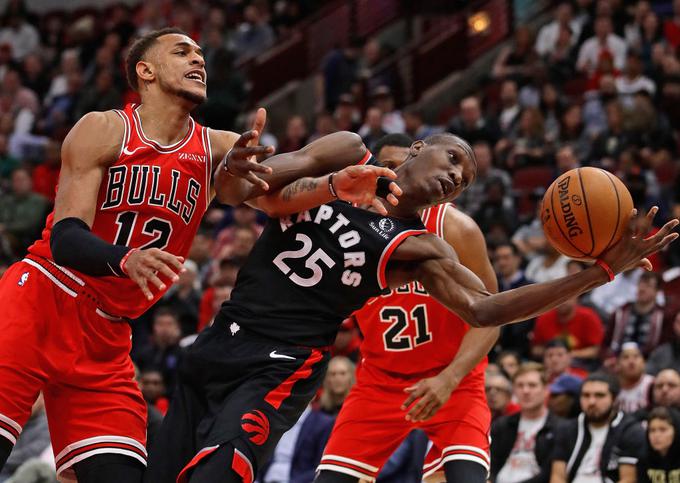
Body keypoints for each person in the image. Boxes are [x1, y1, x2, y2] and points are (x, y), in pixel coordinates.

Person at [147, 131, 677, 483]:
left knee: (218, 472)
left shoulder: (421, 248)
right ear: (418, 146)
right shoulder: (346, 154)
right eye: (452, 160)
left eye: (466, 180)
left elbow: (488, 311)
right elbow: (242, 190)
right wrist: (239, 170)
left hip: (287, 362)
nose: (457, 177)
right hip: (239, 340)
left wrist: (602, 271)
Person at [0, 27, 396, 483]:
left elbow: (272, 196)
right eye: (182, 51)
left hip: (105, 335)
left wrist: (332, 186)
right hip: (41, 301)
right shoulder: (105, 128)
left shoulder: (218, 147)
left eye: (201, 54)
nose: (198, 60)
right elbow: (68, 238)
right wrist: (125, 259)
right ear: (145, 71)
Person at [318, 134, 499, 483]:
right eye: (384, 167)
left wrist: (450, 378)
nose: (392, 177)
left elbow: (491, 317)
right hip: (379, 381)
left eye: (399, 167)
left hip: (453, 379)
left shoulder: (454, 228)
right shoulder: (348, 220)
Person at [550, 373, 645, 483]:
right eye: (586, 395)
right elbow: (557, 476)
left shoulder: (630, 430)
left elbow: (628, 479)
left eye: (599, 395)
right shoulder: (567, 429)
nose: (592, 402)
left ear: (614, 399)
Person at [490, 363, 563, 483]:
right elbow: (491, 466)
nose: (525, 391)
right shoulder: (501, 425)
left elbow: (549, 474)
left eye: (532, 385)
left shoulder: (560, 428)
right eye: (520, 385)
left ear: (546, 390)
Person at [637, 407, 680, 483]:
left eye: (663, 429)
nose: (656, 435)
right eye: (652, 430)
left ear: (676, 431)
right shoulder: (644, 458)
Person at [617, 342, 654, 414]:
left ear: (644, 362)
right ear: (618, 364)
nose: (631, 362)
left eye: (636, 356)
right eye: (626, 357)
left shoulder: (652, 384)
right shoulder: (611, 386)